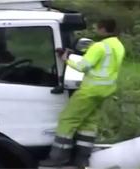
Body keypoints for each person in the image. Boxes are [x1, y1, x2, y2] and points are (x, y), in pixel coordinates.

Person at [39, 18, 126, 169]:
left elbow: (82, 67)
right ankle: (82, 159)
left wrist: (66, 59)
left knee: (67, 120)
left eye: (97, 27)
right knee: (89, 123)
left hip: (90, 90)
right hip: (106, 90)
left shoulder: (99, 46)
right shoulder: (118, 45)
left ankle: (58, 158)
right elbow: (103, 57)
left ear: (103, 29)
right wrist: (77, 51)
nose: (96, 29)